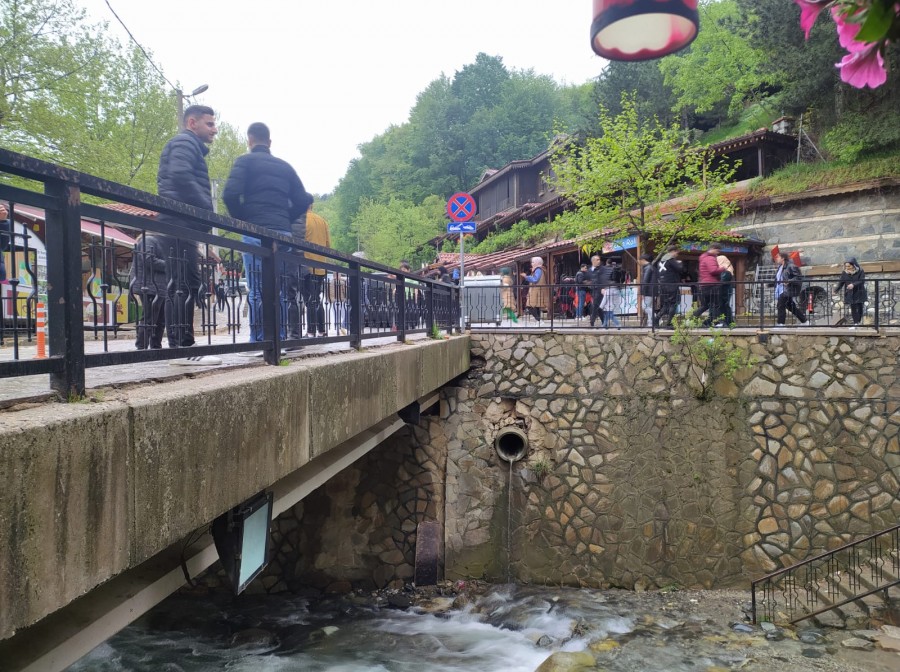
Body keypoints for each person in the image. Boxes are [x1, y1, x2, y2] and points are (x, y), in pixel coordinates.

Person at [223, 122, 311, 343]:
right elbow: (304, 200)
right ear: (269, 142)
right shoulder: (285, 167)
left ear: (250, 140)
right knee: (278, 289)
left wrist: (244, 220)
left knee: (257, 289)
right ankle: (277, 339)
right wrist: (286, 219)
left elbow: (229, 195)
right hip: (282, 234)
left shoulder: (244, 162)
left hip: (255, 232)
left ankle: (260, 340)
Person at [152, 104, 220, 365]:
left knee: (185, 285)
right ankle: (182, 349)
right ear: (192, 123)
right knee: (182, 286)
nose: (215, 129)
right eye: (209, 124)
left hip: (180, 224)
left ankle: (182, 346)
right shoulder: (184, 142)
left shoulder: (188, 145)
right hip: (178, 223)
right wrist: (206, 209)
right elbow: (180, 175)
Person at [295, 202, 332, 337]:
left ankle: (311, 331)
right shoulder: (323, 221)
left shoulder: (301, 220)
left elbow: (297, 243)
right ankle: (322, 330)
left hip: (307, 267)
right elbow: (328, 245)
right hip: (321, 267)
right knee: (316, 298)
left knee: (309, 299)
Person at [130, 234, 168, 350]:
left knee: (160, 320)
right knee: (149, 318)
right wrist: (170, 265)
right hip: (149, 286)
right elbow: (148, 260)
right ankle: (141, 347)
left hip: (158, 286)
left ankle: (156, 347)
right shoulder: (149, 240)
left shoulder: (156, 242)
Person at [691, 243, 724, 326]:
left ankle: (692, 319)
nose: (718, 253)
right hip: (711, 284)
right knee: (715, 304)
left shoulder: (703, 257)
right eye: (717, 251)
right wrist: (723, 268)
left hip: (704, 284)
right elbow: (713, 270)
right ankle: (715, 323)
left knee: (705, 305)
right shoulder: (710, 258)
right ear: (713, 248)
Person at [774, 251, 807, 326]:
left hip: (788, 289)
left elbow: (798, 277)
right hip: (782, 289)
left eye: (778, 257)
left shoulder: (791, 266)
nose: (776, 259)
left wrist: (789, 281)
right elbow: (778, 279)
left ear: (783, 258)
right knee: (791, 306)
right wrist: (769, 284)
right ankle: (805, 321)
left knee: (780, 305)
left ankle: (781, 324)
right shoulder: (780, 267)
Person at [656, 245, 684, 328]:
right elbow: (680, 269)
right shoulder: (671, 260)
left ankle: (656, 319)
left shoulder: (660, 261)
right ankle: (669, 323)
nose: (677, 255)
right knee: (673, 303)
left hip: (662, 285)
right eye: (677, 253)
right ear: (673, 251)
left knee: (666, 304)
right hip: (672, 284)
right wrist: (680, 263)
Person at [836, 258, 867, 327]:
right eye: (846, 266)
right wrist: (836, 290)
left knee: (860, 307)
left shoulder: (860, 271)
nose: (847, 268)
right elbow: (841, 282)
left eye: (849, 266)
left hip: (859, 291)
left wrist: (853, 284)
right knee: (853, 307)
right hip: (850, 293)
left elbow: (862, 280)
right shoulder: (844, 272)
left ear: (853, 265)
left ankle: (858, 321)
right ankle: (856, 323)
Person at [520, 256, 548, 324]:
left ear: (537, 263)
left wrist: (526, 276)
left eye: (532, 262)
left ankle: (538, 320)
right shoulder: (540, 270)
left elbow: (535, 279)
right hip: (537, 290)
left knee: (530, 305)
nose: (531, 264)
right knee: (536, 306)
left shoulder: (538, 270)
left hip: (536, 291)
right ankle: (538, 321)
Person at [588, 255, 613, 327]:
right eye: (597, 260)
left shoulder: (602, 269)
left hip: (600, 289)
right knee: (598, 306)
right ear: (593, 261)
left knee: (596, 305)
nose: (599, 261)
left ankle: (592, 321)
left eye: (599, 260)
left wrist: (603, 287)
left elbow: (604, 279)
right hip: (593, 289)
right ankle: (603, 322)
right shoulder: (590, 270)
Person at [638, 253, 658, 328]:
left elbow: (645, 281)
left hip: (649, 291)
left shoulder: (648, 268)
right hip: (653, 290)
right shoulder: (652, 267)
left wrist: (642, 292)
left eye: (639, 260)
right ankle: (650, 324)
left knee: (645, 306)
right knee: (650, 307)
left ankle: (656, 317)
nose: (639, 262)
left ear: (643, 260)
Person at [715, 254, 735, 327]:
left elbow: (722, 282)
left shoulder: (726, 272)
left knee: (724, 306)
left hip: (724, 291)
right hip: (726, 290)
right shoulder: (729, 270)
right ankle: (729, 322)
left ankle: (726, 322)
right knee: (725, 306)